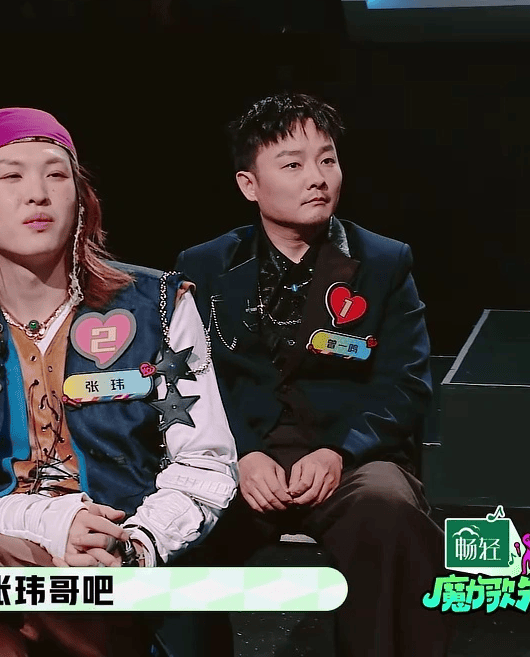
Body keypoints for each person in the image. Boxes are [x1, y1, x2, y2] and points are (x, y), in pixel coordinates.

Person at [0, 107, 238, 657]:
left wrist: (134, 546)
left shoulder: (159, 307)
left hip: (122, 583)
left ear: (80, 198)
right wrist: (49, 522)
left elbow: (206, 463)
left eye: (56, 174)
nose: (38, 194)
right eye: (12, 176)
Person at [174, 93, 451, 657]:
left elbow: (406, 383)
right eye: (293, 164)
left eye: (327, 159)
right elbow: (187, 380)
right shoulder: (203, 266)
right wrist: (241, 454)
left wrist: (339, 452)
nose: (317, 178)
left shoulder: (384, 262)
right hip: (238, 457)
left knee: (388, 508)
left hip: (351, 458)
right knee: (174, 520)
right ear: (249, 184)